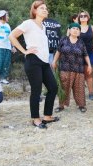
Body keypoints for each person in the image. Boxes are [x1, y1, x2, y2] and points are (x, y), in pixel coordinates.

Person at [9, 0, 59, 129]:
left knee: (53, 87)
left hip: (44, 62)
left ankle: (47, 116)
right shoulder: (28, 23)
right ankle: (36, 119)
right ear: (35, 11)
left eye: (46, 8)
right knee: (36, 91)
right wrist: (24, 51)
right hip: (33, 61)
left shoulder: (44, 27)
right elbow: (12, 36)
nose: (45, 10)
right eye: (42, 8)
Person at [52, 23, 92, 113]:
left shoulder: (81, 42)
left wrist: (89, 65)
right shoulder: (63, 39)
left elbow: (85, 55)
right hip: (65, 69)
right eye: (73, 28)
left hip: (79, 69)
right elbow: (58, 51)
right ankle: (61, 106)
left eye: (77, 29)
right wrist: (54, 61)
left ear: (79, 32)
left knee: (79, 88)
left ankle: (81, 105)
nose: (75, 30)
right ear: (69, 30)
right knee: (64, 88)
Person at [78, 10, 93, 100]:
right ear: (79, 18)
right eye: (81, 16)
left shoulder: (91, 27)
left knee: (89, 74)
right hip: (78, 55)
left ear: (88, 17)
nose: (83, 17)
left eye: (85, 16)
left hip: (89, 53)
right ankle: (80, 94)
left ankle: (91, 93)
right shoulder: (76, 27)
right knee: (79, 75)